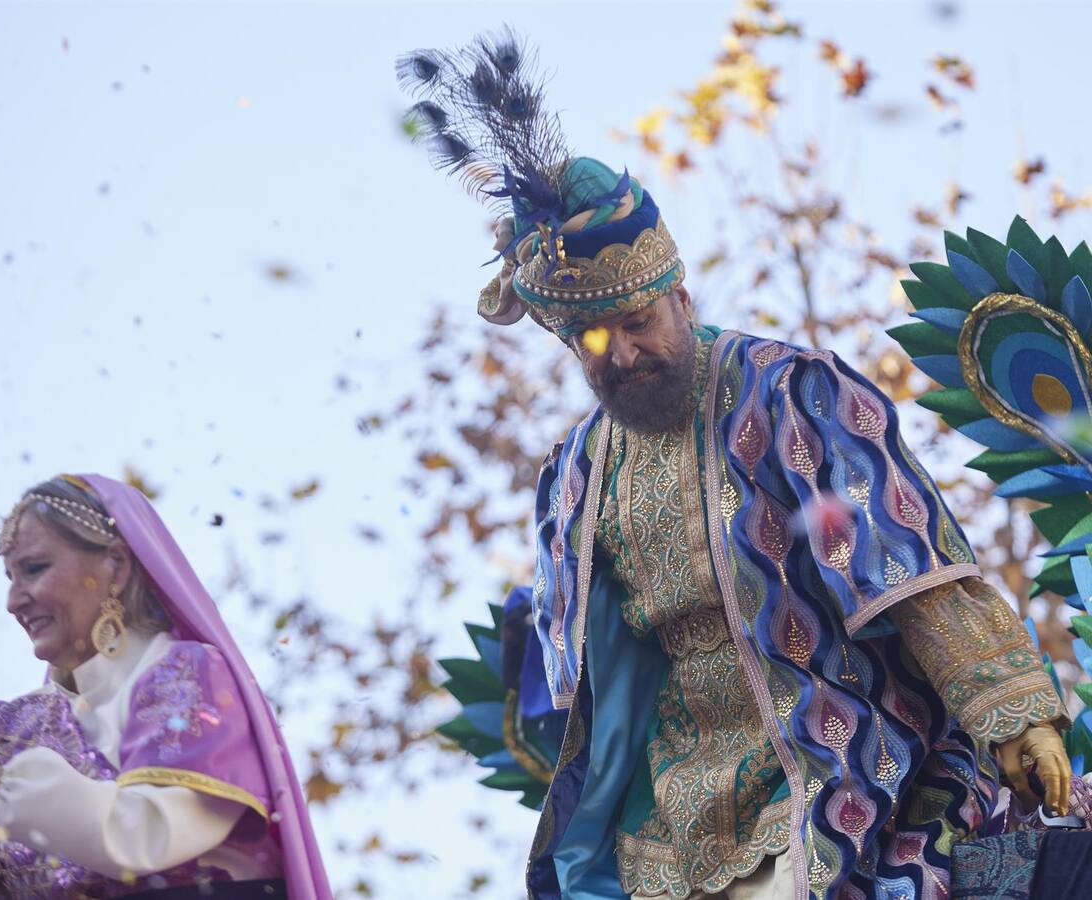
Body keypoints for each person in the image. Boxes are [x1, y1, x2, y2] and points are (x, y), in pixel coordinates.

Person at [397, 32, 1075, 899]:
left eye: (637, 321)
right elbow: (587, 695)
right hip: (663, 832)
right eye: (592, 339)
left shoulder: (792, 393)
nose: (622, 353)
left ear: (680, 297)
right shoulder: (572, 478)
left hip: (839, 770)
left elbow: (909, 566)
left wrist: (1013, 713)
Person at [0, 474, 334, 898]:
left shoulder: (183, 674)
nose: (13, 602)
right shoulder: (1, 731)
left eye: (34, 568)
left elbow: (145, 835)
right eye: (10, 578)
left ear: (116, 566)